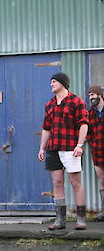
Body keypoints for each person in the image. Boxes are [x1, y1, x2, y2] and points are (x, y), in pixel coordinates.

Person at [38, 72, 89, 230]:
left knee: (76, 183)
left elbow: (84, 124)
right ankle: (60, 220)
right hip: (53, 148)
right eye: (51, 81)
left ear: (62, 83)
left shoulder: (76, 101)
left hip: (71, 149)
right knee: (57, 183)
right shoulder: (50, 104)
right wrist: (41, 148)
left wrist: (79, 145)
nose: (51, 84)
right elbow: (46, 128)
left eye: (54, 81)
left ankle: (81, 219)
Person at [87, 85, 104, 221]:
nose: (91, 98)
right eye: (89, 95)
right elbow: (88, 133)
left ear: (100, 95)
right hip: (97, 151)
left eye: (93, 94)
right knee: (102, 180)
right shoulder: (90, 114)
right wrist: (92, 142)